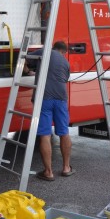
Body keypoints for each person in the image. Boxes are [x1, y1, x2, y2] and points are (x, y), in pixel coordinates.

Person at [29, 41, 73, 181]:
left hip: (44, 98)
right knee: (64, 132)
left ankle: (48, 172)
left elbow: (24, 57)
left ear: (54, 47)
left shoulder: (45, 51)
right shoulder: (66, 63)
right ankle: (66, 168)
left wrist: (26, 70)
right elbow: (62, 78)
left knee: (45, 135)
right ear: (63, 52)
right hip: (61, 99)